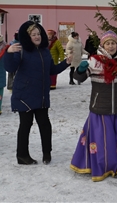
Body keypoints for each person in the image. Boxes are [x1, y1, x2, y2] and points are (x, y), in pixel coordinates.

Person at [70, 30, 117, 181]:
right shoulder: (94, 61)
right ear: (103, 45)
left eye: (113, 43)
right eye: (107, 43)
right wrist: (80, 70)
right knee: (103, 141)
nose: (110, 46)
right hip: (100, 108)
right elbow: (79, 78)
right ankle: (103, 166)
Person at [4, 21, 71, 165]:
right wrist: (8, 53)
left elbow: (51, 70)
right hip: (24, 95)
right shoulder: (21, 50)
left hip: (41, 95)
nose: (37, 36)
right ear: (28, 37)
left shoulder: (45, 51)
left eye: (38, 34)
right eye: (33, 34)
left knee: (45, 124)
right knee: (25, 125)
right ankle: (22, 156)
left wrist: (66, 63)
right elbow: (10, 68)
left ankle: (47, 153)